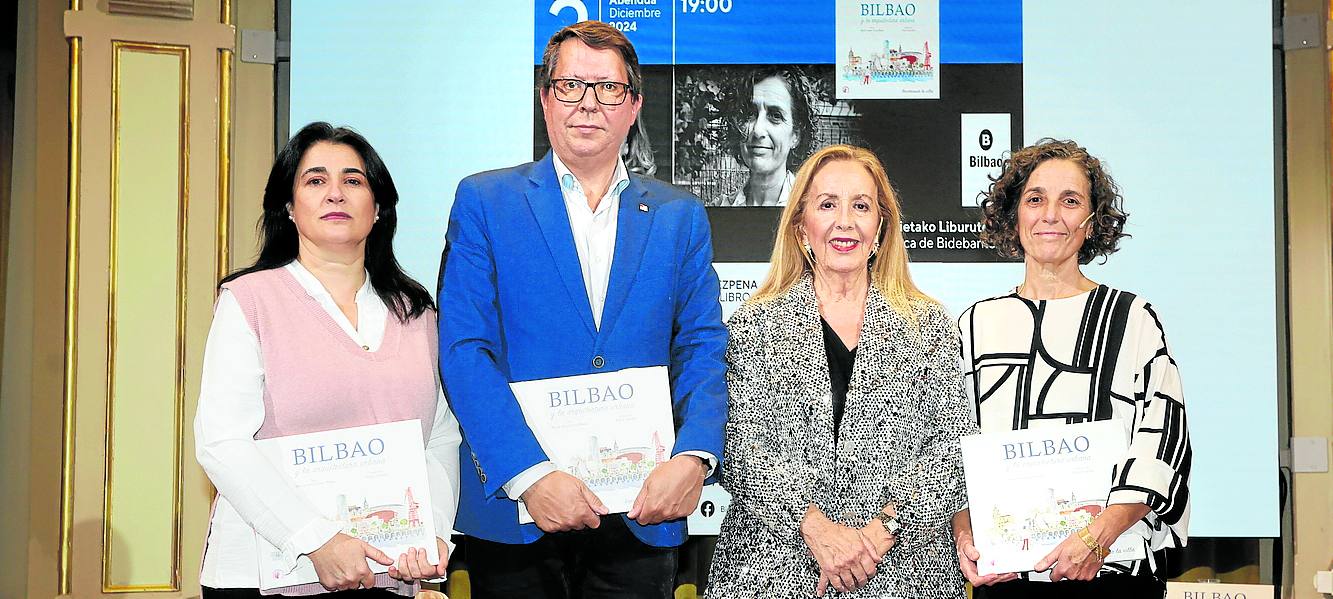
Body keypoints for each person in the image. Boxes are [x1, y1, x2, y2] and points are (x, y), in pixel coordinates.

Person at [437, 20, 728, 599]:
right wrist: (530, 475)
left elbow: (702, 345)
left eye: (607, 88)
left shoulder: (679, 216)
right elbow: (465, 351)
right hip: (519, 514)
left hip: (642, 512)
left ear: (634, 105)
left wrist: (695, 457)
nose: (588, 103)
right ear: (546, 101)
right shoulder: (485, 202)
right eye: (570, 85)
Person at [194, 122, 462, 598]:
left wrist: (433, 530)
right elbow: (222, 441)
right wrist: (317, 540)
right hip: (264, 574)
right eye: (315, 180)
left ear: (378, 208)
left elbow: (439, 435)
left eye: (354, 181)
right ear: (288, 207)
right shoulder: (250, 300)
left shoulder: (417, 313)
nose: (335, 193)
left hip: (388, 573)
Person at [706, 144, 975, 598]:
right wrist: (815, 529)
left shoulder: (929, 324)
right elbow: (739, 447)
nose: (845, 221)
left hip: (903, 572)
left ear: (881, 225)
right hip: (773, 572)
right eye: (827, 204)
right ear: (800, 226)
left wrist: (880, 532)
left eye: (861, 206)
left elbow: (950, 451)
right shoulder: (754, 324)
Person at [954, 138, 1192, 598]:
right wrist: (967, 537)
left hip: (1111, 574)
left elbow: (1162, 443)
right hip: (1006, 582)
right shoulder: (976, 325)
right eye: (1035, 199)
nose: (1050, 215)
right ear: (1013, 214)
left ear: (1092, 220)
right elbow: (951, 455)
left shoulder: (1133, 319)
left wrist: (1095, 537)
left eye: (1070, 201)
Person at [719, 66, 817, 207]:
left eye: (775, 116)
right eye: (749, 114)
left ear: (796, 135)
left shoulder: (812, 209)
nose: (758, 130)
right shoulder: (721, 208)